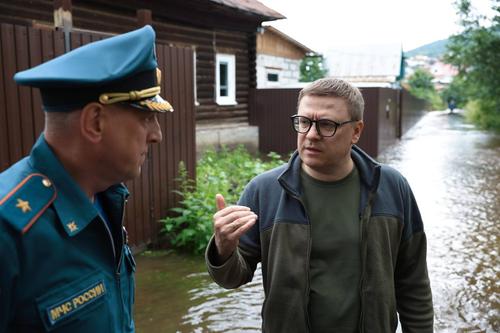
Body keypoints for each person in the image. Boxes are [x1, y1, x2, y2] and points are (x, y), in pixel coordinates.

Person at [205, 78, 433, 332]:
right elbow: (232, 278)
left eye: (326, 125)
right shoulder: (264, 191)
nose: (311, 135)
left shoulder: (391, 187)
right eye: (304, 122)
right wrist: (223, 249)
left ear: (356, 131)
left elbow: (413, 283)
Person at [0, 25, 173, 332]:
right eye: (146, 117)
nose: (156, 135)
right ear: (95, 122)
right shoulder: (8, 231)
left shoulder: (105, 197)